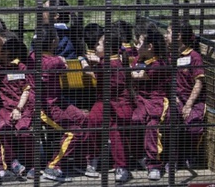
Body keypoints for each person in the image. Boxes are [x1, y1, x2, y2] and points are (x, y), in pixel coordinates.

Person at [35, 25, 90, 182]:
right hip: (45, 107)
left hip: (59, 101)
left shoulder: (33, 56)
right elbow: (63, 66)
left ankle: (79, 162)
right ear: (53, 42)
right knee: (74, 131)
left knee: (83, 119)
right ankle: (53, 166)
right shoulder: (55, 61)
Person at [84, 23, 134, 183]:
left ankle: (121, 166)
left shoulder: (108, 64)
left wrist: (85, 63)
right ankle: (94, 158)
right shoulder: (112, 60)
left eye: (99, 44)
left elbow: (92, 74)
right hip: (106, 103)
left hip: (117, 105)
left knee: (114, 130)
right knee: (93, 120)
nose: (95, 46)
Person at [0, 29, 35, 180]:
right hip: (3, 109)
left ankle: (31, 164)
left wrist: (19, 109)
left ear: (7, 52)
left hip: (21, 108)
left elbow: (26, 90)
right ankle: (11, 162)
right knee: (3, 129)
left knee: (24, 131)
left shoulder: (19, 67)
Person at [131, 24, 170, 181]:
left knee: (152, 126)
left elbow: (137, 76)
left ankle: (154, 165)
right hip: (140, 99)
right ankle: (139, 156)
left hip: (157, 102)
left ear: (150, 47)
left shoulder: (158, 64)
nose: (136, 45)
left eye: (139, 43)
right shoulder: (139, 58)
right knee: (134, 120)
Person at [165, 21, 205, 168]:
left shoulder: (194, 57)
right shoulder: (169, 56)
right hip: (174, 99)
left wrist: (188, 105)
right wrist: (171, 96)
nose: (166, 36)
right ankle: (172, 159)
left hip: (192, 101)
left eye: (168, 33)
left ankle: (190, 155)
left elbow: (199, 82)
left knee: (193, 125)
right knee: (170, 119)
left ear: (178, 36)